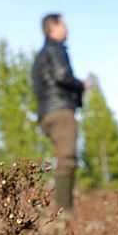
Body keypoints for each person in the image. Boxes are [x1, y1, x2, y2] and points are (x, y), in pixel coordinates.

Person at [32, 13, 86, 211]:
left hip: (46, 112)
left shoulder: (41, 55)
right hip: (60, 110)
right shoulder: (55, 49)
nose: (67, 29)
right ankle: (64, 212)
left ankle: (62, 210)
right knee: (67, 159)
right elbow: (62, 75)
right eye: (64, 24)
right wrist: (82, 85)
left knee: (63, 158)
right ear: (53, 28)